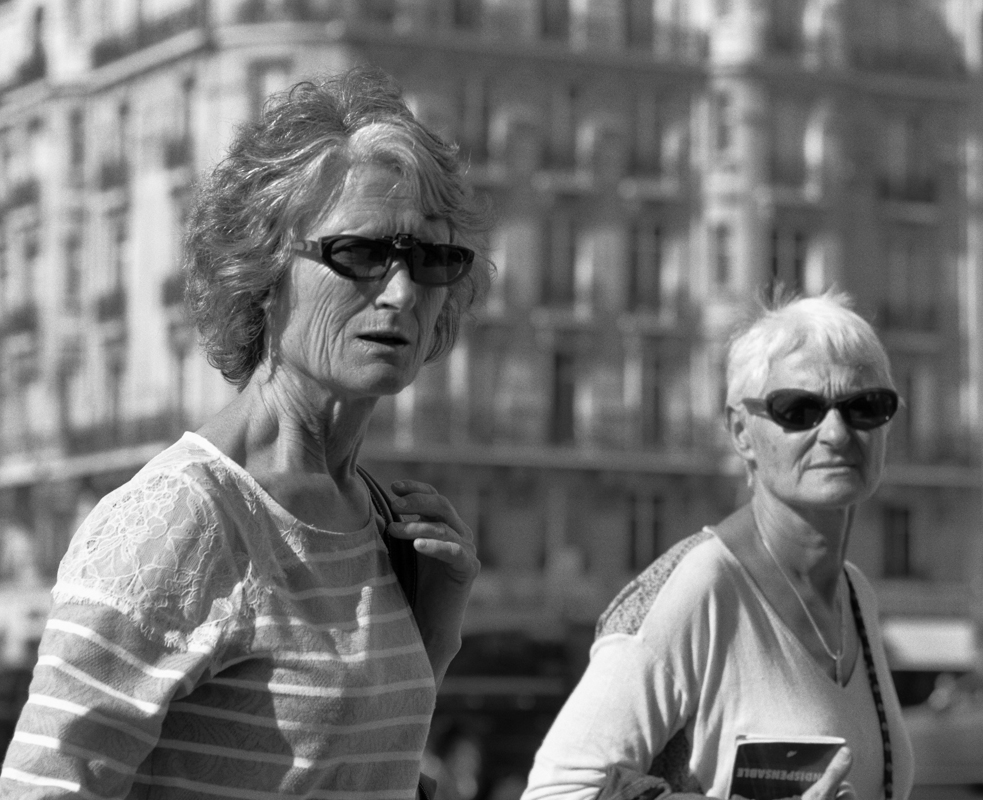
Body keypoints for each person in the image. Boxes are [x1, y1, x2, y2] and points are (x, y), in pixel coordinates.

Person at [0, 66, 491, 798]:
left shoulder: (382, 520)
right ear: (262, 270)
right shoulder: (183, 520)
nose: (401, 292)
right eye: (358, 253)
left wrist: (435, 635)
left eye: (430, 259)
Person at [522, 291, 915, 800]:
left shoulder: (855, 593)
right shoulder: (699, 586)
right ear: (741, 431)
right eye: (799, 410)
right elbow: (556, 790)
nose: (837, 434)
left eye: (864, 406)